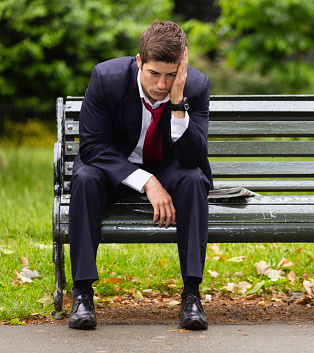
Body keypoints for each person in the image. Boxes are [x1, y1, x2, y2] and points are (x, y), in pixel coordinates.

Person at [67, 20, 212, 331]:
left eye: (171, 75)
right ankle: (82, 295)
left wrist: (177, 105)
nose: (161, 84)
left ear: (182, 66)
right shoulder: (107, 79)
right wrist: (146, 181)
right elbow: (92, 148)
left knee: (193, 180)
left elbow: (193, 157)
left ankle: (192, 296)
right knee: (84, 179)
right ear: (139, 62)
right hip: (112, 167)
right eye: (154, 74)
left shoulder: (195, 87)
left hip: (168, 166)